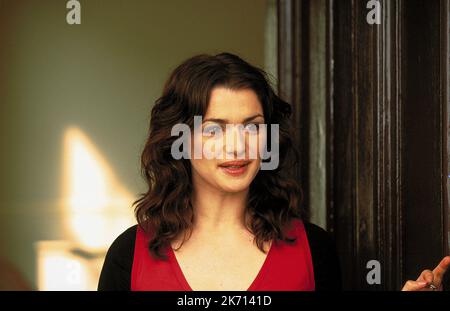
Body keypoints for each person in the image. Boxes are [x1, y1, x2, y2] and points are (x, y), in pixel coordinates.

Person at [97, 52, 341, 291]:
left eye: (252, 127)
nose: (237, 147)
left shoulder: (315, 249)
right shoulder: (128, 256)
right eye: (214, 129)